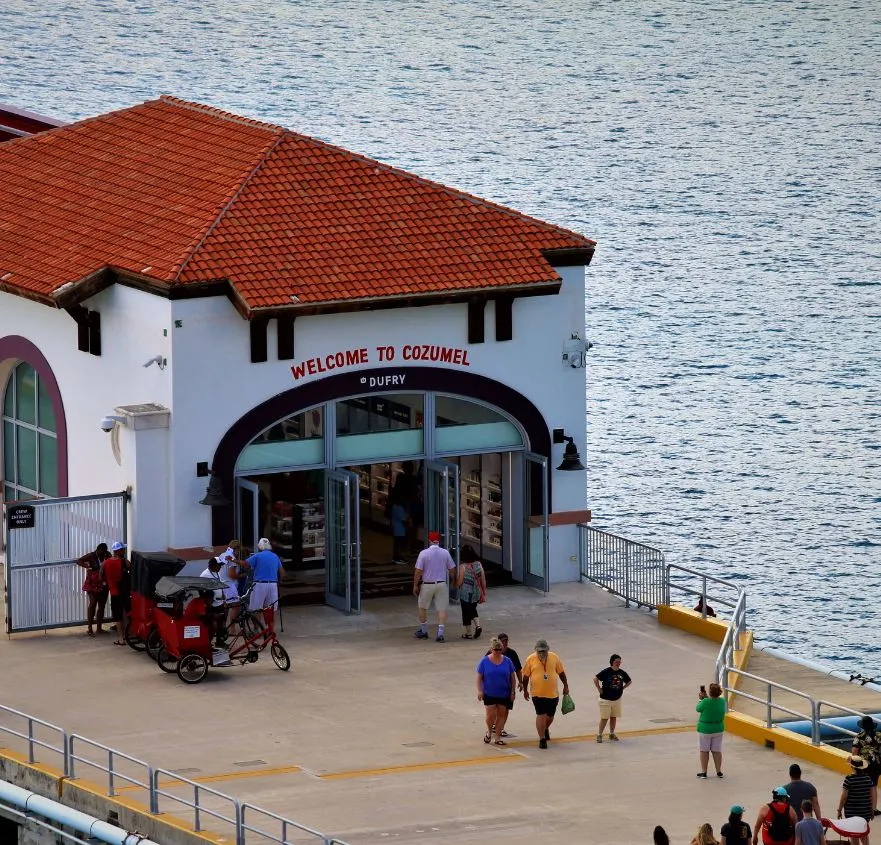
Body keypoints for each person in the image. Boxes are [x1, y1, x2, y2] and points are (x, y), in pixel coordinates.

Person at [522, 638, 569, 750]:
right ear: (536, 651)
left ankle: (545, 728)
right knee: (540, 714)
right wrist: (525, 690)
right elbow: (525, 677)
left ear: (547, 650)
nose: (541, 653)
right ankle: (542, 738)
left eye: (543, 651)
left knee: (550, 715)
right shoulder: (530, 659)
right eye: (539, 651)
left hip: (552, 693)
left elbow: (561, 673)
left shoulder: (554, 657)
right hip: (537, 694)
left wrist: (566, 685)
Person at [412, 531, 456, 642]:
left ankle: (424, 631)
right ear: (439, 541)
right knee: (441, 608)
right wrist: (453, 581)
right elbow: (452, 569)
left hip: (427, 584)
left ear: (429, 540)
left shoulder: (423, 553)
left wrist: (415, 584)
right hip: (441, 584)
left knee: (422, 607)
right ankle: (440, 634)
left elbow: (418, 571)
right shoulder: (445, 553)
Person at [477, 637, 516, 746]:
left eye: (500, 650)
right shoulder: (484, 661)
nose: (498, 652)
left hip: (504, 693)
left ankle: (497, 736)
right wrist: (480, 690)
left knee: (501, 715)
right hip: (489, 693)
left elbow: (512, 677)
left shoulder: (507, 661)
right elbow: (479, 677)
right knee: (490, 716)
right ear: (491, 649)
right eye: (496, 650)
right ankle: (489, 732)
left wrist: (512, 691)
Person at [245, 538, 285, 634]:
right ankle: (270, 630)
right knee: (270, 609)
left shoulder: (257, 556)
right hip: (272, 585)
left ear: (260, 546)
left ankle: (256, 629)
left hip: (259, 584)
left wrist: (235, 561)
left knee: (256, 608)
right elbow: (282, 572)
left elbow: (245, 564)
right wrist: (279, 581)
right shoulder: (275, 556)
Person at [594, 653, 632, 742]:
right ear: (612, 662)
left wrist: (623, 688)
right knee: (604, 718)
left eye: (619, 661)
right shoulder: (606, 671)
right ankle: (599, 735)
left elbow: (629, 681)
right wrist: (599, 689)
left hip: (617, 699)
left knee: (613, 717)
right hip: (605, 699)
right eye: (616, 661)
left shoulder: (622, 673)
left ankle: (611, 733)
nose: (618, 663)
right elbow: (595, 678)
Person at [76, 542, 110, 636]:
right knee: (93, 603)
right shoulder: (91, 555)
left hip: (104, 583)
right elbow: (79, 561)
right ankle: (90, 628)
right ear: (98, 550)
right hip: (92, 583)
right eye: (101, 553)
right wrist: (87, 566)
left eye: (104, 553)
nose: (102, 554)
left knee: (102, 606)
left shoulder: (107, 555)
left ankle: (99, 628)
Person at [838, 755, 873, 841]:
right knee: (863, 834)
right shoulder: (867, 778)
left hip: (852, 813)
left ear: (851, 766)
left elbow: (844, 798)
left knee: (854, 835)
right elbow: (871, 796)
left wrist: (839, 810)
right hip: (865, 812)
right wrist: (871, 810)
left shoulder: (849, 779)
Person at [102, 541, 131, 646]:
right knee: (127, 613)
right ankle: (130, 635)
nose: (124, 550)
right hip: (125, 592)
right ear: (119, 551)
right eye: (123, 549)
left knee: (117, 617)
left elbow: (101, 577)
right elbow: (133, 571)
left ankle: (121, 639)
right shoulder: (124, 562)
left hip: (114, 593)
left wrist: (109, 582)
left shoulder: (105, 563)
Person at [852, 716, 881, 816]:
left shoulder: (859, 737)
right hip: (876, 765)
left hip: (864, 765)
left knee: (863, 785)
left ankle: (864, 808)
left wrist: (853, 765)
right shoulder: (878, 735)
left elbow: (854, 753)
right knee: (873, 786)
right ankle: (874, 808)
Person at [696, 682, 726, 778]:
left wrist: (701, 699)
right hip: (718, 729)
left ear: (710, 692)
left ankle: (704, 772)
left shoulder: (705, 701)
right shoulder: (722, 701)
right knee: (717, 751)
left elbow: (698, 709)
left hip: (705, 729)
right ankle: (719, 771)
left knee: (704, 751)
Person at [456, 544, 486, 639]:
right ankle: (477, 625)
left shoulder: (463, 567)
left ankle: (469, 632)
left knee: (465, 612)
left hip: (465, 593)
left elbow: (460, 582)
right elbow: (483, 579)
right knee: (473, 609)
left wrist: (455, 585)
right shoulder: (478, 564)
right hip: (476, 592)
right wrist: (483, 592)